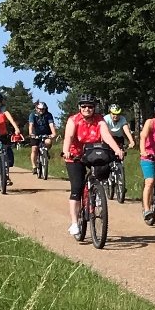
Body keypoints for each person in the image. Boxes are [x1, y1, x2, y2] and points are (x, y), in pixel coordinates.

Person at [61, 95, 126, 236]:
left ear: (94, 108)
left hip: (93, 153)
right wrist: (66, 151)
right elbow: (69, 137)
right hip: (75, 155)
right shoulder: (73, 120)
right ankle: (74, 223)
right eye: (83, 106)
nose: (87, 109)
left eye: (90, 106)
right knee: (77, 188)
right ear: (79, 107)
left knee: (101, 174)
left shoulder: (99, 120)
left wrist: (117, 150)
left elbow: (106, 136)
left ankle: (95, 195)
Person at [26, 101, 58, 167]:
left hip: (46, 134)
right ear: (36, 108)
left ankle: (45, 152)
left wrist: (54, 133)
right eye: (40, 109)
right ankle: (34, 166)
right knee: (34, 149)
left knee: (48, 142)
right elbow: (31, 125)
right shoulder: (32, 115)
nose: (41, 110)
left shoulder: (48, 115)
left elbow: (51, 125)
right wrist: (31, 133)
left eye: (43, 109)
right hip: (35, 134)